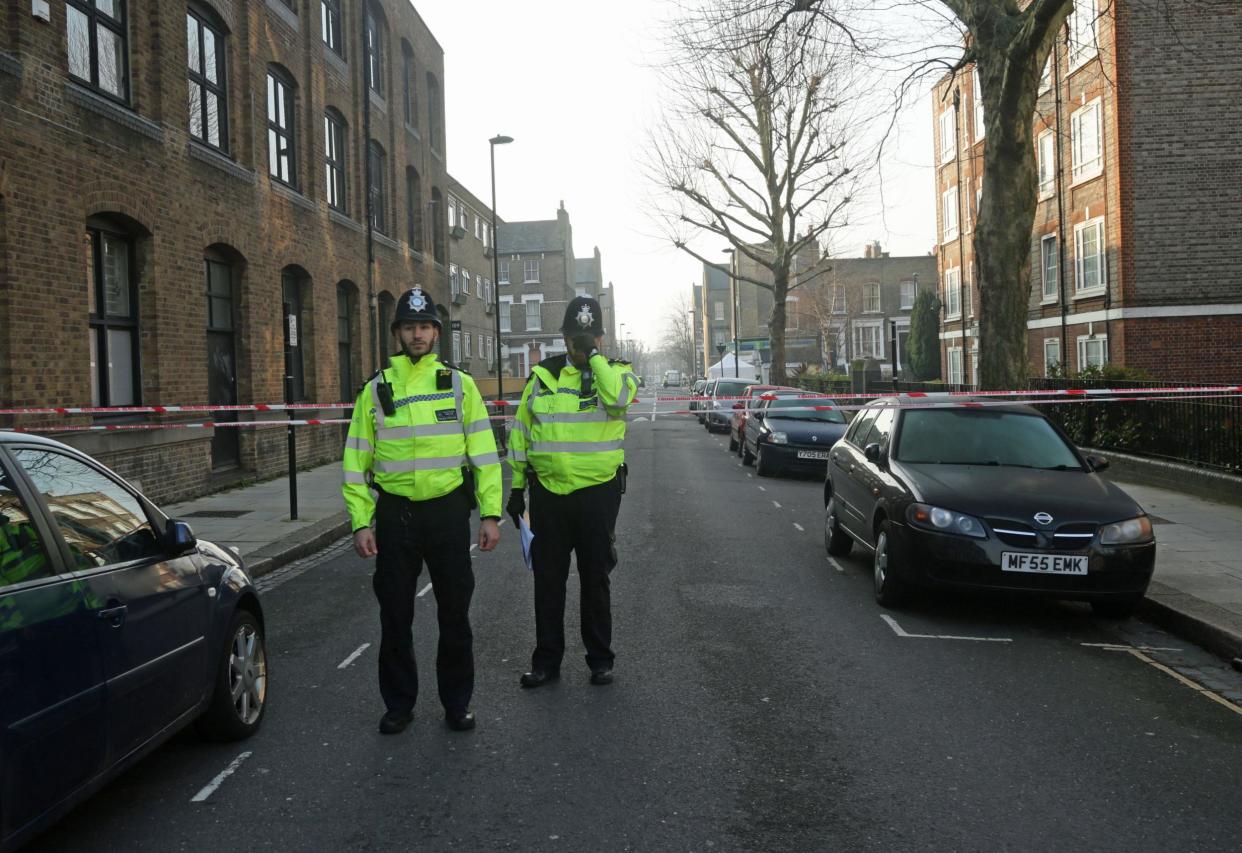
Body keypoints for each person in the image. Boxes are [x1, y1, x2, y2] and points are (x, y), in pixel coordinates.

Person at [342, 287, 502, 734]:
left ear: (436, 332)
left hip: (448, 513)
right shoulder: (376, 390)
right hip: (395, 515)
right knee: (395, 615)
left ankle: (457, 703)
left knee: (455, 614)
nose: (418, 334)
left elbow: (484, 455)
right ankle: (399, 704)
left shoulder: (459, 384)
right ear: (398, 333)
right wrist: (360, 521)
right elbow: (356, 460)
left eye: (425, 326)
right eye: (410, 327)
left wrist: (490, 514)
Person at [505, 296, 639, 688]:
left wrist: (594, 357)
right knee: (548, 580)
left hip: (598, 494)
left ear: (600, 338)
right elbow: (521, 435)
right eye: (573, 338)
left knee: (595, 577)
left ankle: (600, 659)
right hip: (547, 493)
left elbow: (616, 402)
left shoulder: (618, 374)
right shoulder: (542, 377)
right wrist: (516, 489)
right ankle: (547, 661)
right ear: (563, 339)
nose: (579, 345)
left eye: (588, 337)